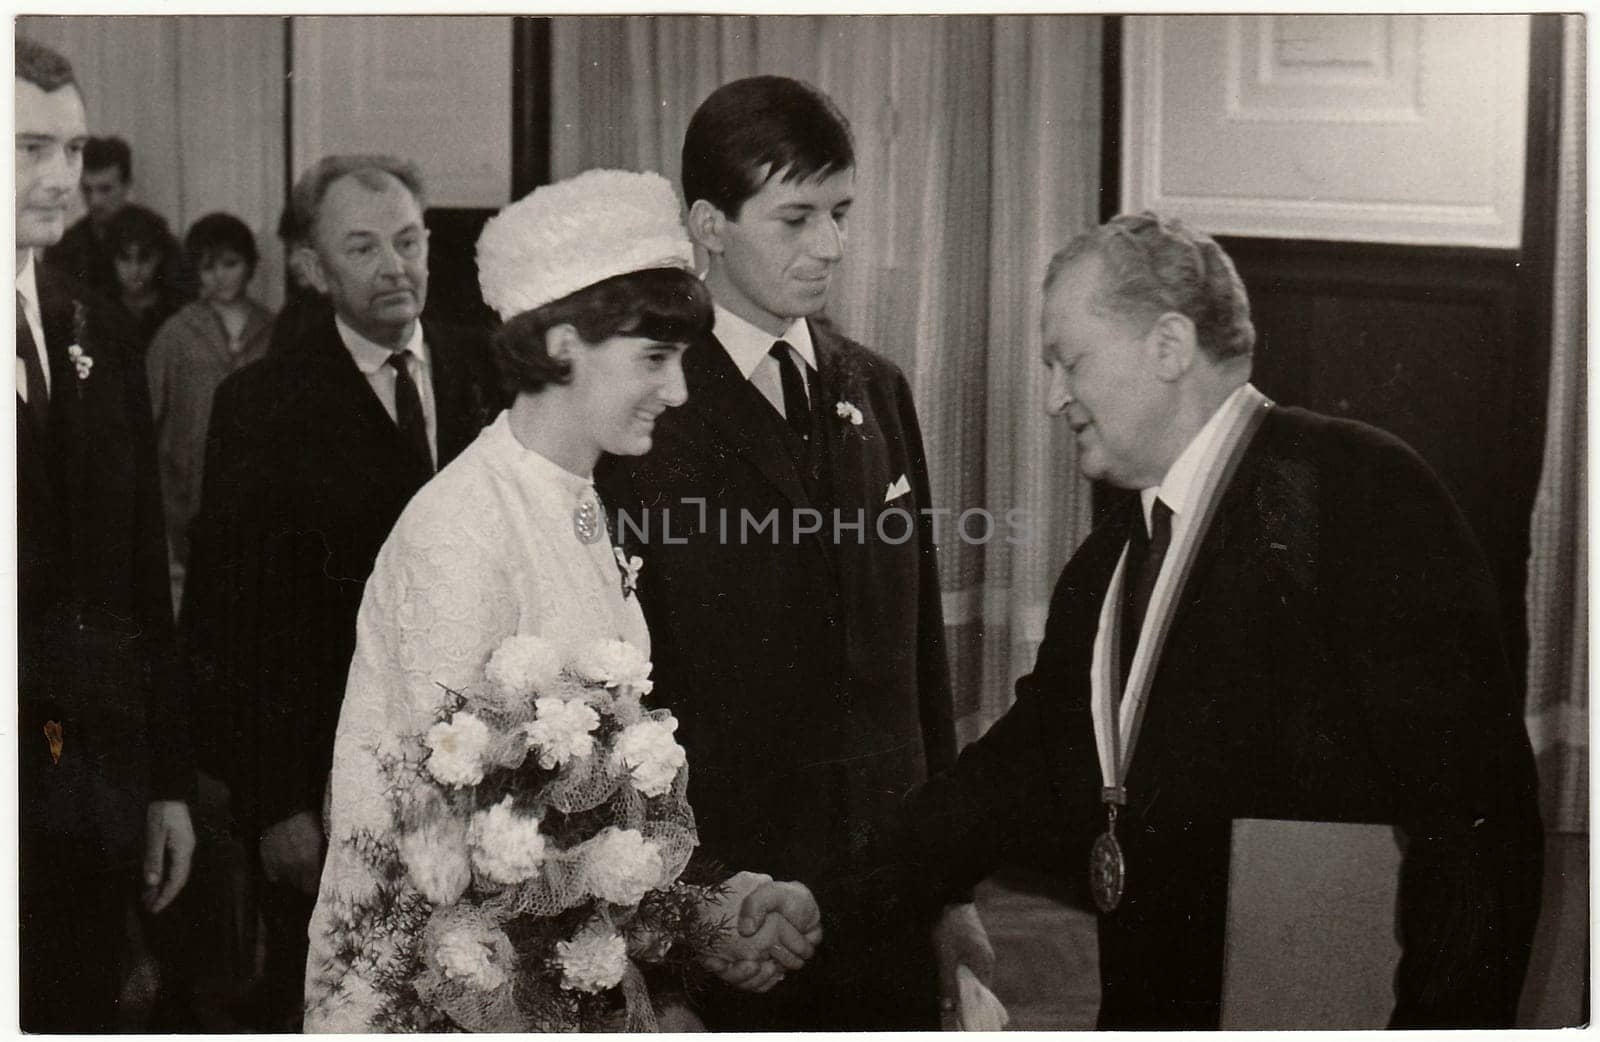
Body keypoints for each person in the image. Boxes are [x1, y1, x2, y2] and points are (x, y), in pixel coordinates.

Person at [809, 212, 1545, 1029]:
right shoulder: (1109, 560)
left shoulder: (1353, 493)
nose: (1054, 398)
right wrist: (826, 902)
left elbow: (1480, 830)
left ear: (1166, 346)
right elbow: (1019, 772)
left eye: (1069, 361)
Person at [305, 167, 822, 1032]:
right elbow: (436, 854)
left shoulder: (582, 503)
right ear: (561, 345)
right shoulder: (462, 529)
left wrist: (706, 908)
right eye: (655, 359)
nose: (679, 390)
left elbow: (587, 811)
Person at [593, 75, 986, 1031]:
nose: (832, 247)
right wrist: (696, 904)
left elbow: (918, 659)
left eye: (842, 213)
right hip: (736, 915)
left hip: (883, 896)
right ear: (708, 224)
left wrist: (947, 882)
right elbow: (619, 696)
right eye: (797, 217)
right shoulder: (644, 412)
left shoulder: (878, 390)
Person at [182, 153, 501, 1030]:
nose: (395, 267)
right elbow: (227, 622)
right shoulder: (260, 404)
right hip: (327, 789)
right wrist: (275, 804)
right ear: (314, 270)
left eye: (408, 241)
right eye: (362, 249)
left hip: (482, 784)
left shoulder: (493, 374)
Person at [15, 36, 195, 1032]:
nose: (64, 179)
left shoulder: (98, 331)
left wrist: (165, 785)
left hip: (88, 806)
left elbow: (136, 588)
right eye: (30, 147)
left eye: (73, 150)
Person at [146, 212, 274, 615]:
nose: (219, 276)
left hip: (259, 489)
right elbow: (147, 413)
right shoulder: (177, 332)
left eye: (230, 264)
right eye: (207, 266)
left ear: (251, 265)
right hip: (190, 490)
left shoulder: (273, 328)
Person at [43, 133, 130, 297]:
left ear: (126, 186)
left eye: (105, 189)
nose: (95, 201)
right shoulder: (63, 247)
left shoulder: (155, 236)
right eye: (87, 190)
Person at [104, 202, 186, 357]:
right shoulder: (100, 310)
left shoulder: (176, 309)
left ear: (159, 257)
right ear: (112, 259)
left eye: (144, 258)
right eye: (124, 258)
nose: (134, 270)